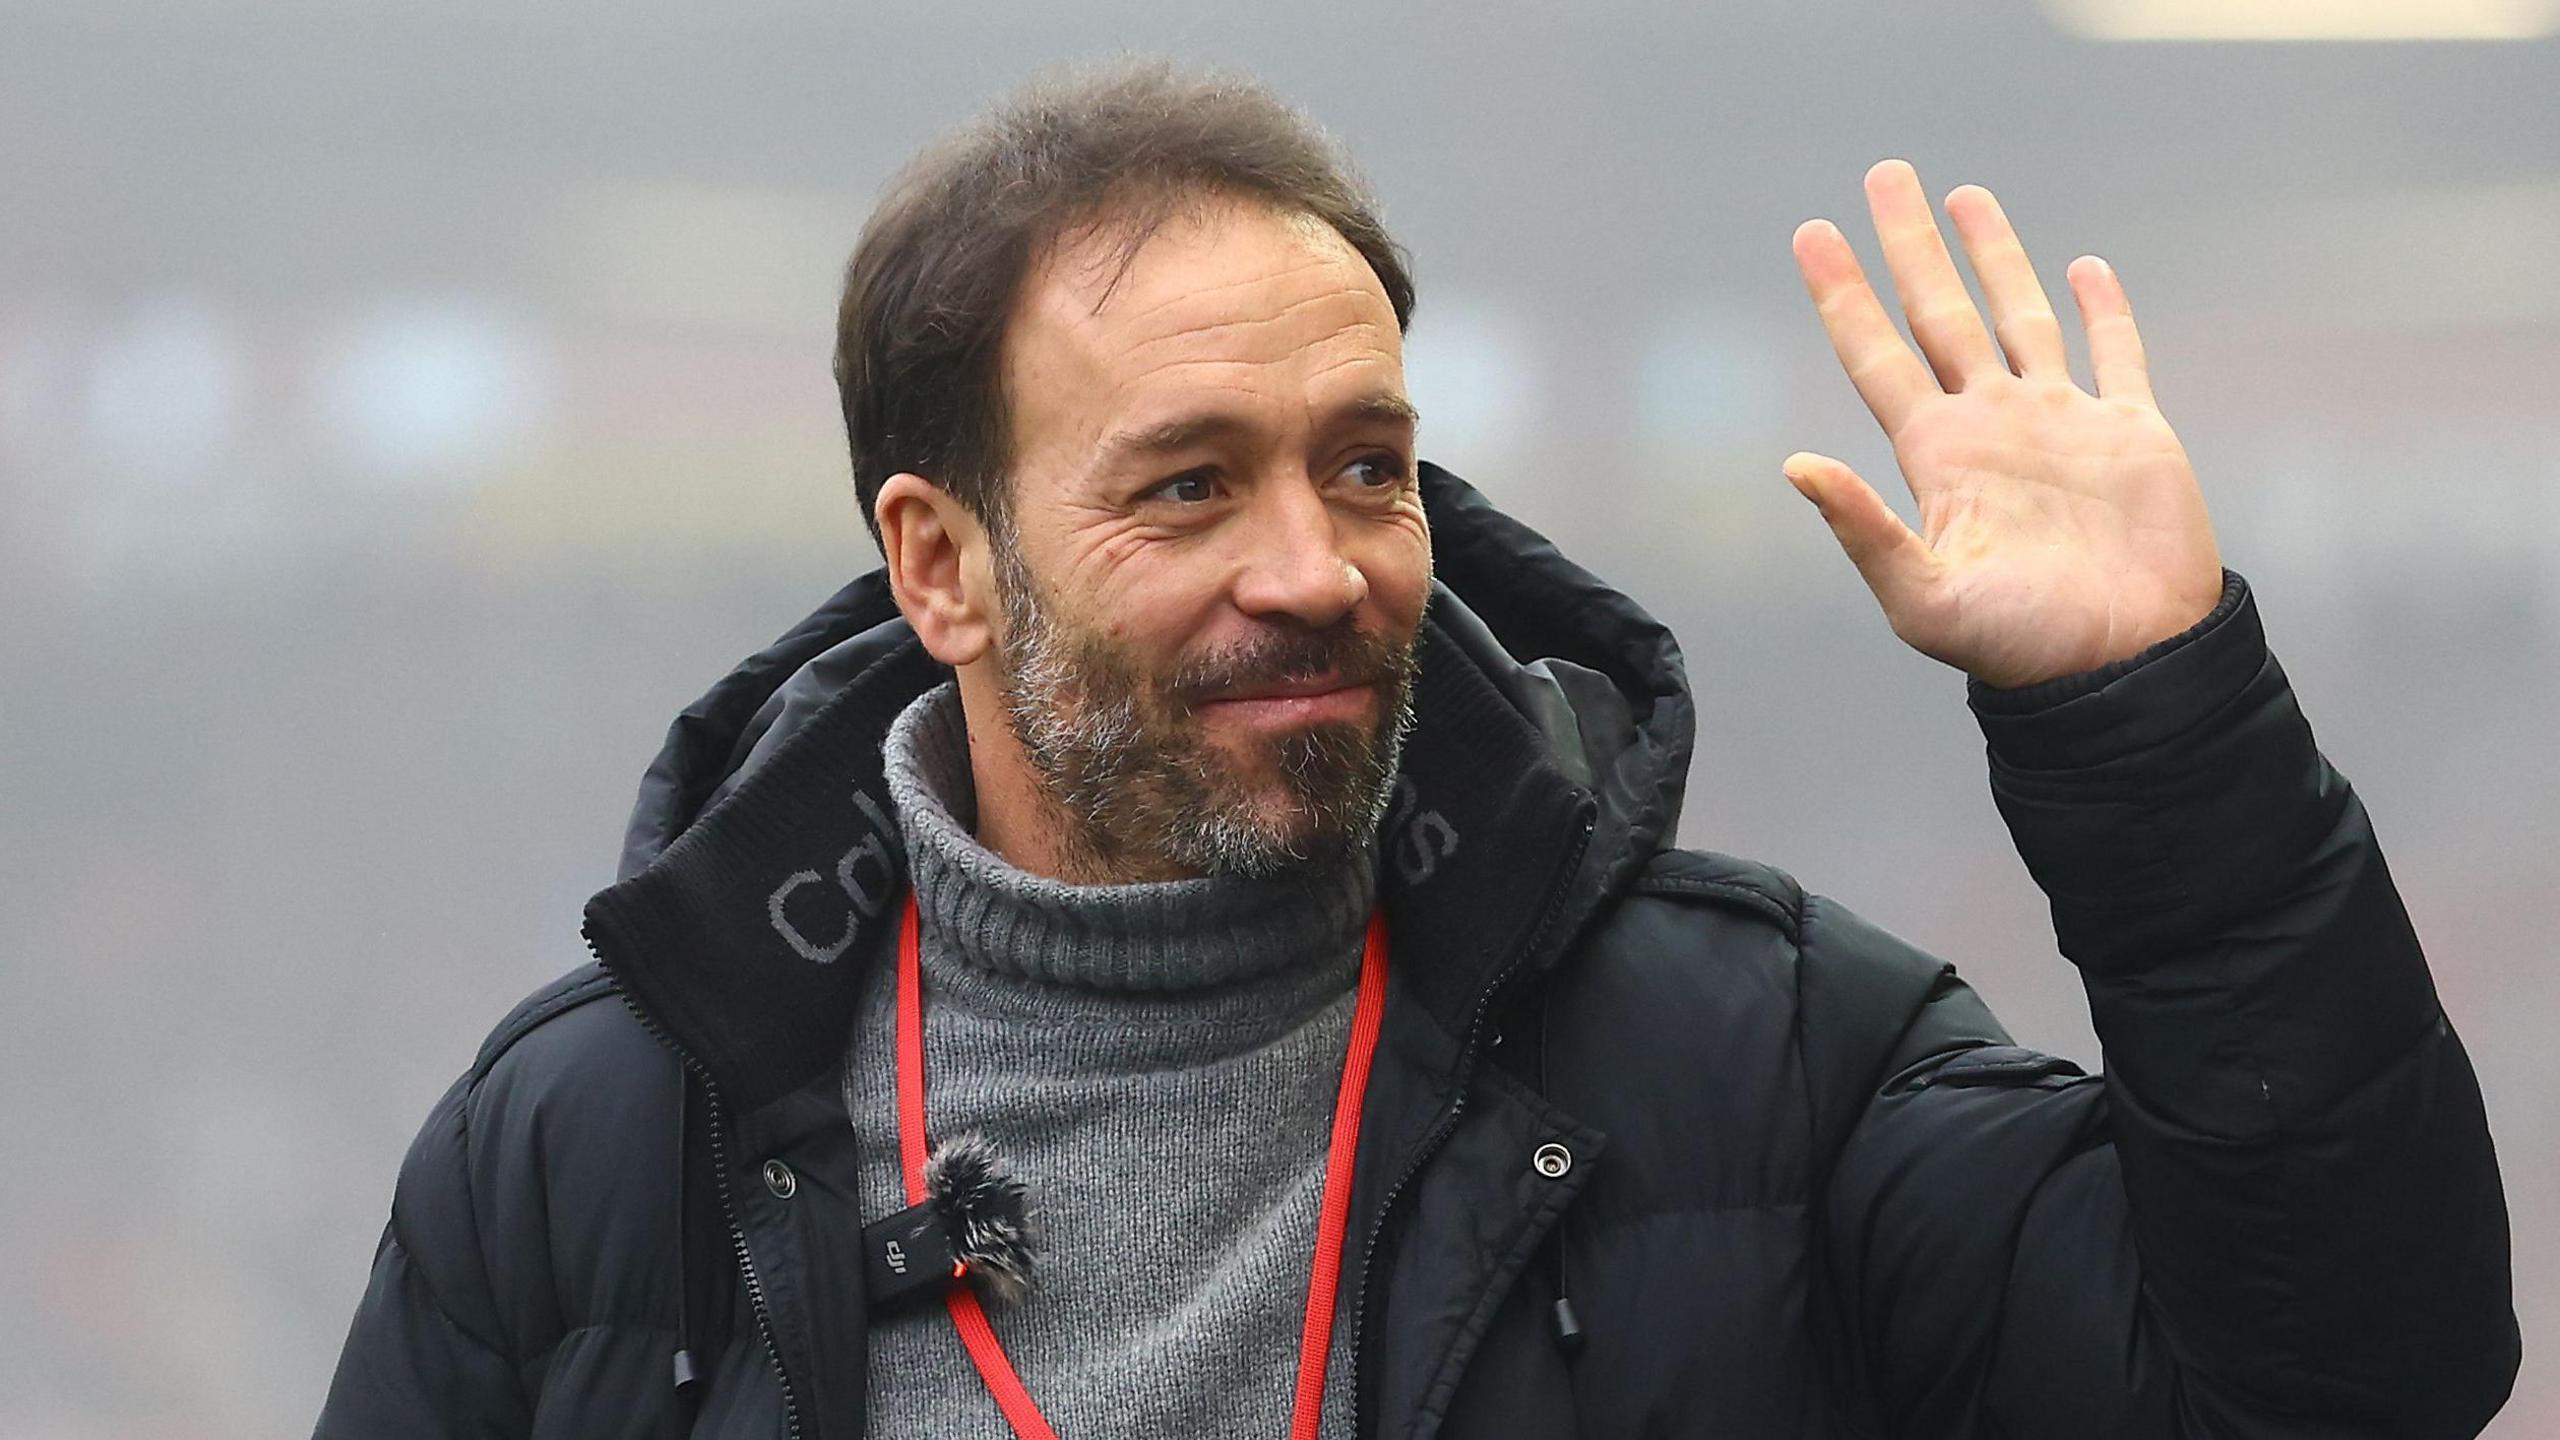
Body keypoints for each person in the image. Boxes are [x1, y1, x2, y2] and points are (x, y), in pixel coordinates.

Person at [314, 62, 2518, 1439]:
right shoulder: (590, 1151)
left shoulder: (1766, 1060)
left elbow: (2354, 1388)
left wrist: (2153, 721)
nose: (1320, 565)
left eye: (1363, 463)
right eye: (1185, 487)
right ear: (941, 566)